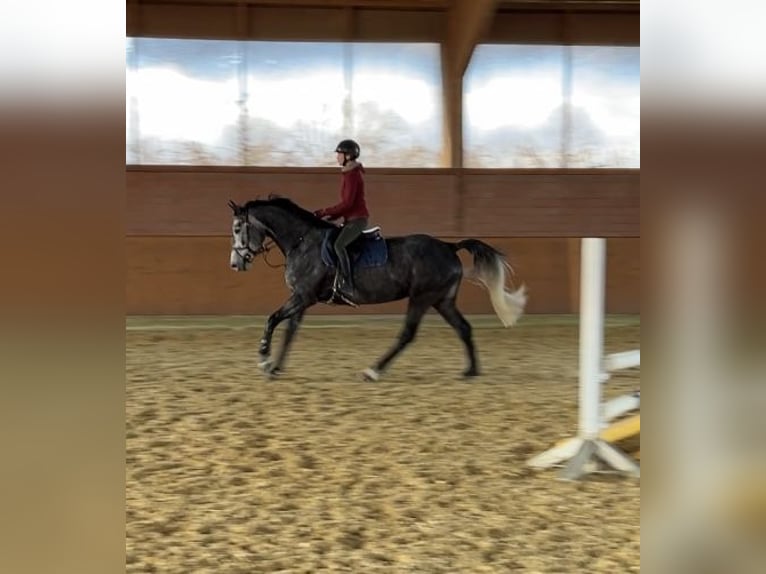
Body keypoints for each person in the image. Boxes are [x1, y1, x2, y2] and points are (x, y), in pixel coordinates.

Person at [314, 139, 369, 302]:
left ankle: (347, 284)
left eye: (339, 154)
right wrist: (332, 216)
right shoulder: (348, 173)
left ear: (349, 156)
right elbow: (347, 206)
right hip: (351, 219)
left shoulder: (352, 175)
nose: (337, 157)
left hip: (358, 220)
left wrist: (325, 211)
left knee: (339, 245)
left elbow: (348, 203)